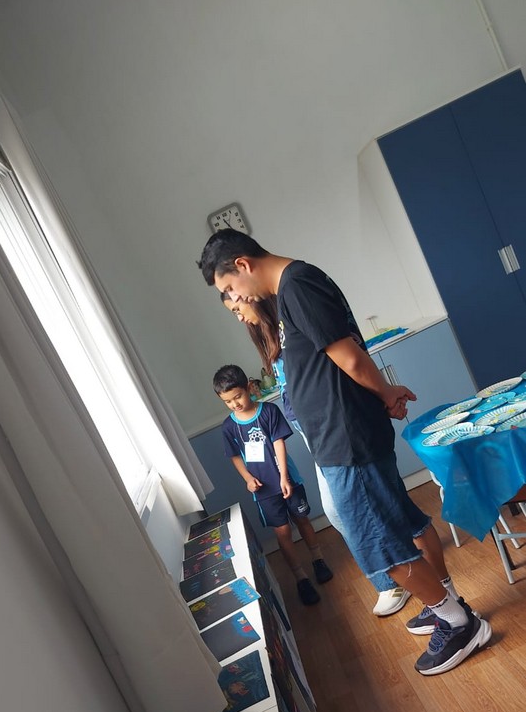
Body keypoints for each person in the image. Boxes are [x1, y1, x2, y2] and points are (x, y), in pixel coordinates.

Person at [199, 230, 492, 676]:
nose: (236, 300)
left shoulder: (297, 285)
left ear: (242, 265)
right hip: (343, 437)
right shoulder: (290, 291)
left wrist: (386, 392)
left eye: (229, 290)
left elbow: (349, 358)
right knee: (394, 527)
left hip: (347, 440)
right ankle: (448, 608)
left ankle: (458, 624)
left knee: (379, 545)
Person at [220, 291, 411, 617]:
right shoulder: (273, 337)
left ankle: (394, 576)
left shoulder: (294, 312)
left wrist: (383, 393)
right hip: (312, 428)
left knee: (345, 508)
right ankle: (403, 566)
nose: (238, 316)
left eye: (238, 306)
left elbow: (345, 361)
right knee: (360, 503)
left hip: (332, 425)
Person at [213, 363, 333, 606]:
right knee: (283, 532)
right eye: (228, 401)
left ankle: (318, 559)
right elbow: (235, 456)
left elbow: (279, 443)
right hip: (264, 491)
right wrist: (248, 479)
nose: (235, 404)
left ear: (249, 388)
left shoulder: (269, 411)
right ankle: (300, 577)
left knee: (302, 520)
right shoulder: (229, 427)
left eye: (238, 396)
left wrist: (284, 477)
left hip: (288, 480)